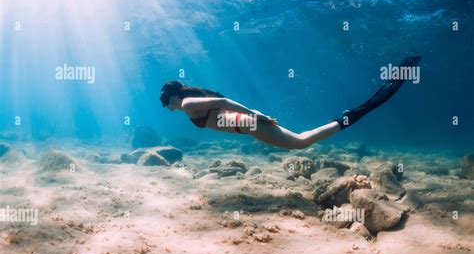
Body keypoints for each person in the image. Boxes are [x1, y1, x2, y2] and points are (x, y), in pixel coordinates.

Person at [160, 56, 421, 150]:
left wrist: (255, 117)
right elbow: (222, 108)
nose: (168, 107)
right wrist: (254, 116)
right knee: (300, 141)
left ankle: (350, 116)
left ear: (174, 97)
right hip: (246, 124)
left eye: (166, 103)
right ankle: (349, 116)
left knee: (300, 143)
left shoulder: (186, 105)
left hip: (248, 124)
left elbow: (225, 101)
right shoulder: (191, 102)